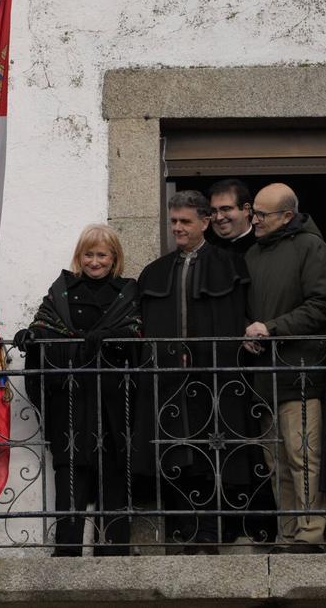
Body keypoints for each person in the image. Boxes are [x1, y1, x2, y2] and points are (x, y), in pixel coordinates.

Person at [136, 191, 253, 553]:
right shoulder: (155, 272)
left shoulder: (230, 265)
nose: (178, 229)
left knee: (216, 450)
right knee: (178, 454)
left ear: (205, 222)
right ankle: (185, 529)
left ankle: (212, 530)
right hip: (171, 379)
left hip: (215, 376)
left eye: (185, 221)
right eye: (174, 222)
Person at [14, 224, 141, 556]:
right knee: (70, 470)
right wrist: (30, 336)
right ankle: (66, 550)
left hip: (112, 401)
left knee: (113, 471)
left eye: (101, 255)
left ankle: (113, 553)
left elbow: (137, 335)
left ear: (114, 258)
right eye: (89, 254)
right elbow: (44, 325)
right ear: (79, 256)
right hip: (70, 400)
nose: (94, 261)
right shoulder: (62, 290)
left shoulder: (127, 291)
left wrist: (112, 338)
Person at [244, 183, 326, 552]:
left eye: (262, 215)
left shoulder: (312, 247)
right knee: (276, 461)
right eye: (254, 213)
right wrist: (250, 330)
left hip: (301, 374)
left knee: (303, 456)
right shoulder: (252, 253)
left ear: (286, 216)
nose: (255, 220)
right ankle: (287, 534)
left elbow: (322, 305)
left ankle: (311, 535)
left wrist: (272, 327)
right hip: (264, 375)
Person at [208, 179, 256, 254]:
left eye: (226, 209)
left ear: (246, 209)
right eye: (213, 211)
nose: (218, 217)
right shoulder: (204, 248)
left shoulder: (264, 247)